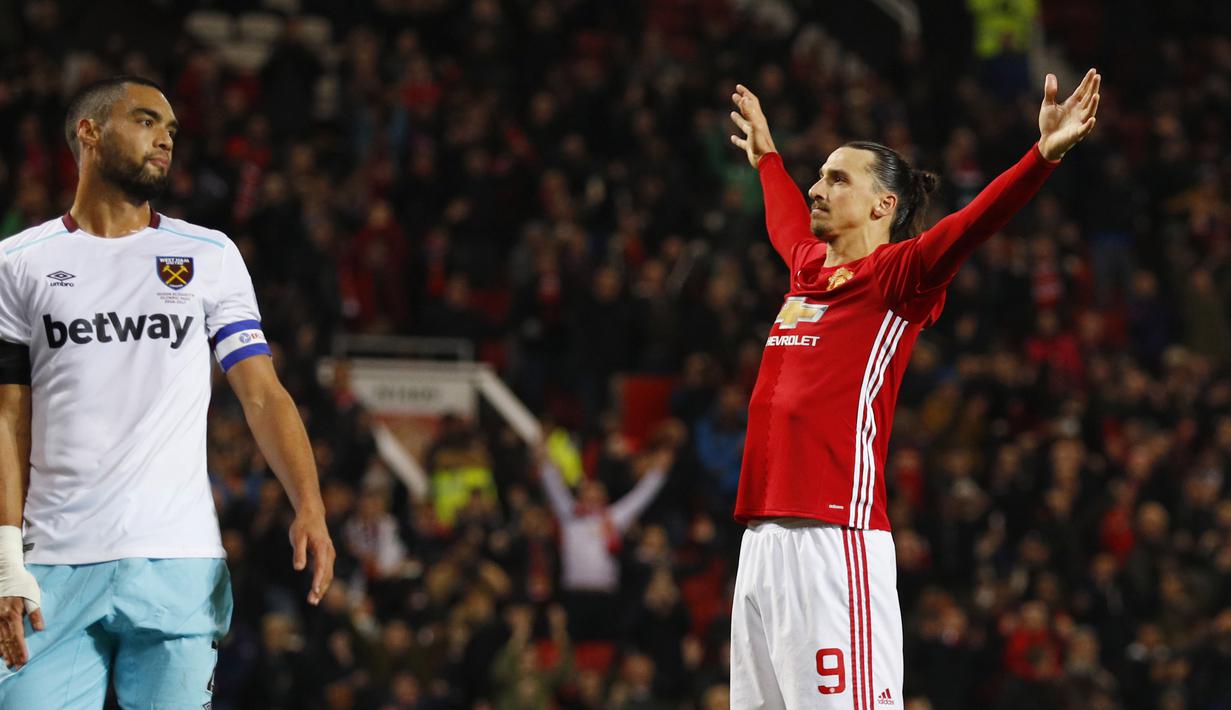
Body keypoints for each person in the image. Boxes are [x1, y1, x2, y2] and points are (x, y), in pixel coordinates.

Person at [725, 68, 1100, 708]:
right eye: (818, 175)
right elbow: (783, 219)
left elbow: (974, 224)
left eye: (837, 178)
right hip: (761, 542)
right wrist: (767, 157)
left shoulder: (900, 277)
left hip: (834, 541)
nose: (817, 187)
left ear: (884, 206)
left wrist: (1040, 157)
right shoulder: (808, 269)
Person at [0, 76, 335, 708]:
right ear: (89, 133)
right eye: (147, 121)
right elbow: (7, 417)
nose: (166, 140)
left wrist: (309, 504)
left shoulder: (208, 254)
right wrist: (3, 556)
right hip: (51, 567)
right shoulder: (18, 263)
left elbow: (261, 394)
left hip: (178, 564)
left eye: (173, 131)